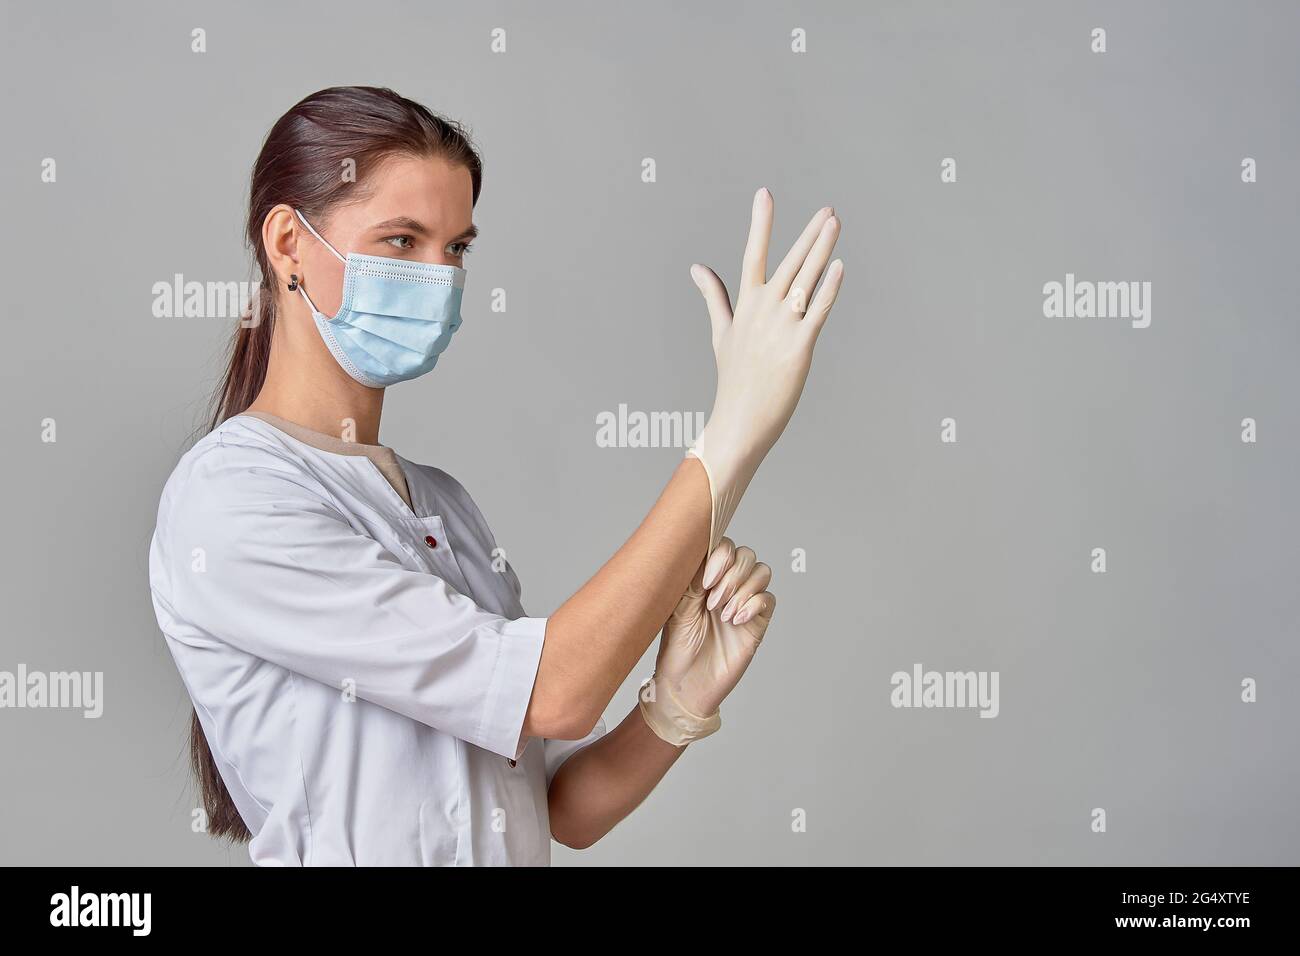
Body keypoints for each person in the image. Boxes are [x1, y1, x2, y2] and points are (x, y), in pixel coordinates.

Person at [148, 86, 844, 865]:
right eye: (402, 241)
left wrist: (673, 706)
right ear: (288, 244)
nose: (438, 277)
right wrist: (735, 433)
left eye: (458, 247)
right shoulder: (234, 497)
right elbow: (557, 692)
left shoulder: (441, 503)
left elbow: (554, 808)